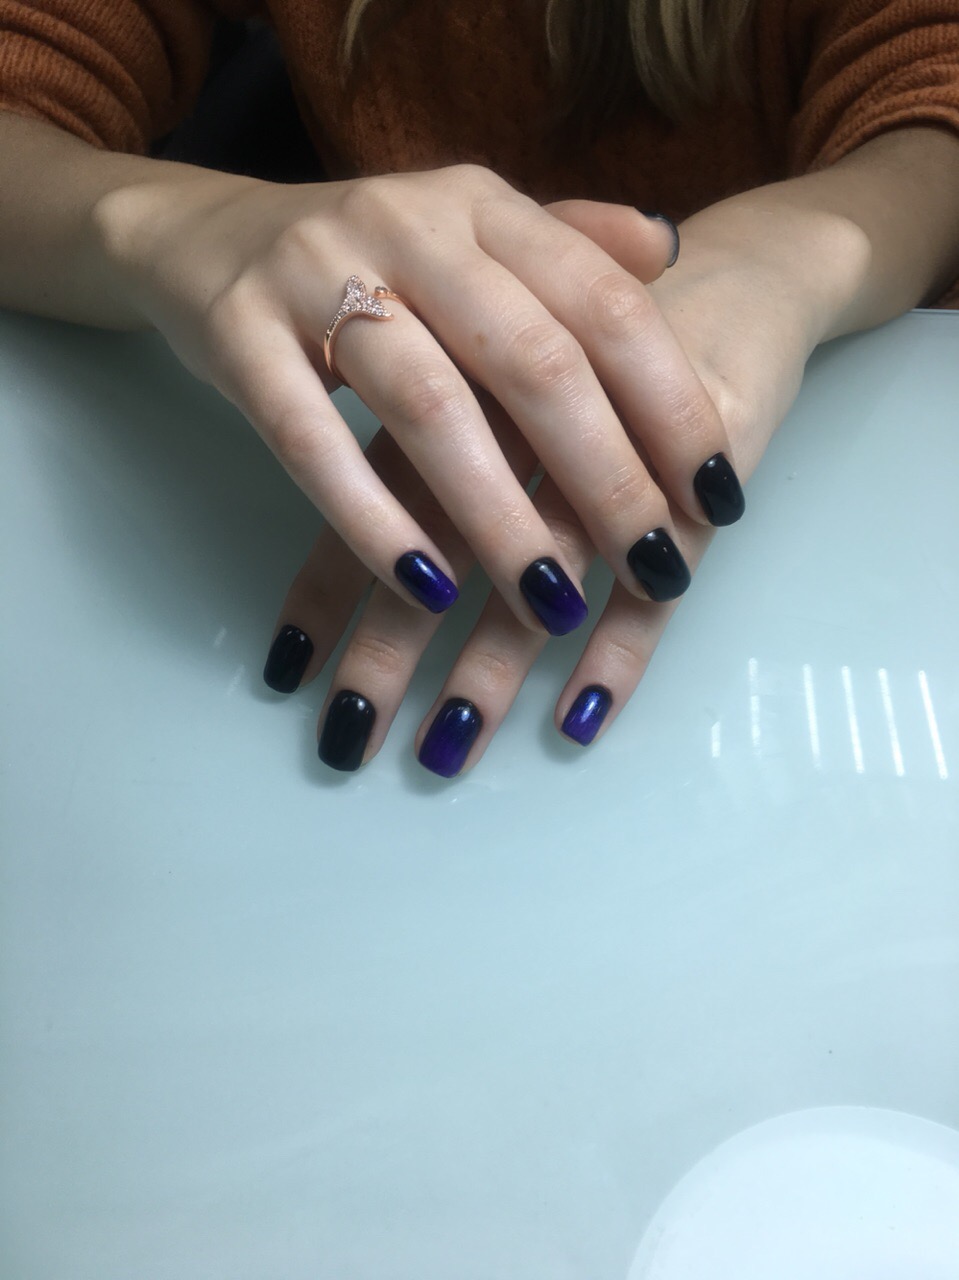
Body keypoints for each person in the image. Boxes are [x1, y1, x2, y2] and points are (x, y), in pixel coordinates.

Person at [1, 1, 958, 777]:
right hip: (317, 447)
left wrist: (809, 244)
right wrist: (160, 222)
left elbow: (931, 93)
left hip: (838, 542)